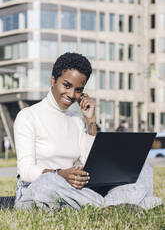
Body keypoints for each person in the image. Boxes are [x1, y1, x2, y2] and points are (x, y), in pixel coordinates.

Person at [14, 53, 161, 211]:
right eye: (66, 85)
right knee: (46, 183)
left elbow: (89, 162)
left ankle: (109, 207)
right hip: (37, 189)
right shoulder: (28, 116)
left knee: (143, 168)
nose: (71, 95)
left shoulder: (76, 121)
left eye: (78, 90)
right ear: (53, 80)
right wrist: (60, 174)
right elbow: (26, 171)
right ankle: (128, 204)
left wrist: (90, 121)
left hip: (74, 191)